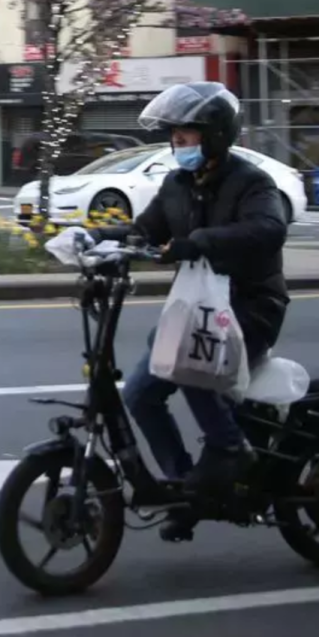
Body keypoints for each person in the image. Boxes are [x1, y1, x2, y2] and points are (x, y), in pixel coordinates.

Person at [87, 81, 290, 542]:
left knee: (182, 359)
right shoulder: (176, 184)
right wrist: (96, 238)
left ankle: (230, 448)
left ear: (215, 136)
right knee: (139, 393)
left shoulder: (252, 182)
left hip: (251, 306)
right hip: (198, 309)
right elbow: (145, 230)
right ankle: (187, 489)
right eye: (174, 138)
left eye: (186, 137)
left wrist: (200, 242)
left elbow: (268, 230)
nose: (177, 146)